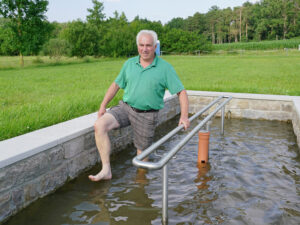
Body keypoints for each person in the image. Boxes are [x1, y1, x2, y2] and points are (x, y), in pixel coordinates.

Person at [89, 30, 190, 182]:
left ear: (155, 46)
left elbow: (181, 92)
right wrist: (103, 105)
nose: (145, 49)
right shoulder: (129, 64)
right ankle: (106, 170)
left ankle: (141, 185)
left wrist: (183, 116)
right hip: (125, 107)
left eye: (148, 45)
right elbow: (116, 85)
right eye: (141, 45)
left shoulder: (165, 68)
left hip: (147, 114)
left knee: (141, 157)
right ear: (137, 46)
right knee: (99, 125)